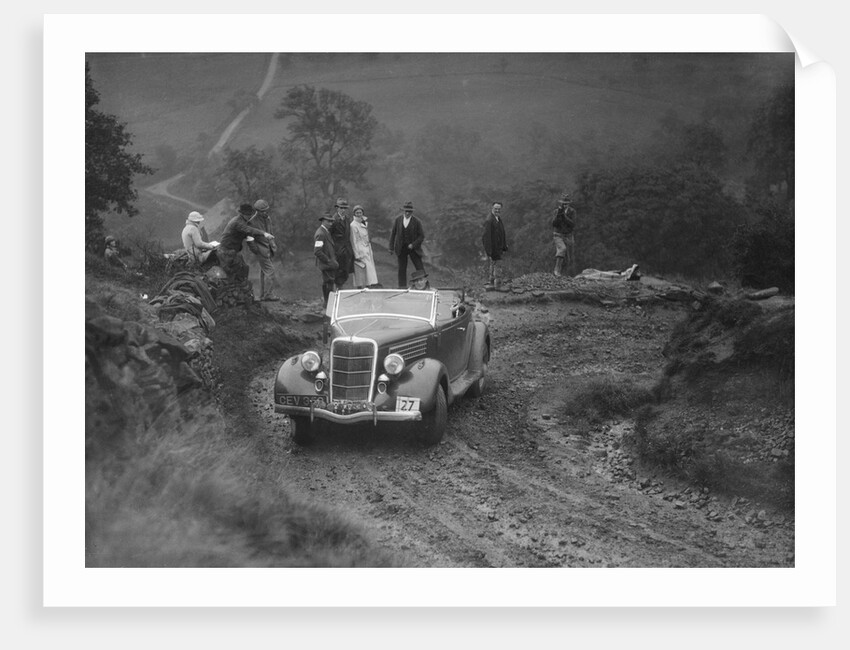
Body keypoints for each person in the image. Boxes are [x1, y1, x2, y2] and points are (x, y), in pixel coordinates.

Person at [218, 203, 274, 282]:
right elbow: (249, 230)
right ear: (242, 214)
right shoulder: (237, 222)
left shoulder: (243, 221)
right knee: (234, 270)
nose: (250, 216)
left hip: (233, 250)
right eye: (248, 214)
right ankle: (232, 289)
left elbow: (248, 234)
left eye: (250, 214)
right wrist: (264, 234)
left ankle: (241, 290)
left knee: (244, 269)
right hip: (227, 250)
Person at [246, 199, 280, 301]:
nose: (265, 212)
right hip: (261, 250)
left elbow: (270, 232)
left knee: (264, 273)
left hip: (269, 249)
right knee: (271, 272)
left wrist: (273, 244)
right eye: (262, 211)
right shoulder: (252, 221)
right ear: (257, 211)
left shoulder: (267, 218)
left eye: (266, 210)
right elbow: (249, 238)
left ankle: (262, 295)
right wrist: (256, 250)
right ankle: (268, 294)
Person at [388, 201, 426, 289]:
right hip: (401, 248)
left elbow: (421, 236)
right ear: (403, 211)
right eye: (406, 211)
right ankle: (402, 287)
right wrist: (391, 247)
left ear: (412, 212)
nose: (407, 213)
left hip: (414, 249)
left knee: (419, 268)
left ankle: (424, 286)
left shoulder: (417, 221)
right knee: (401, 268)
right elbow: (393, 234)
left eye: (409, 211)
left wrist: (413, 244)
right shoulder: (398, 220)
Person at [349, 204, 378, 288]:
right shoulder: (353, 225)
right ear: (354, 214)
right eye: (357, 213)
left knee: (369, 271)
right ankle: (361, 288)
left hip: (367, 249)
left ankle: (368, 287)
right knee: (361, 271)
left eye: (360, 212)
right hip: (360, 250)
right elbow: (353, 241)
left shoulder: (364, 222)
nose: (359, 214)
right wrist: (357, 254)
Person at [314, 212, 339, 308]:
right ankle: (328, 304)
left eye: (332, 222)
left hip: (329, 264)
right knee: (328, 283)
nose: (331, 224)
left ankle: (328, 303)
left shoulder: (325, 232)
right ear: (323, 221)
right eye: (329, 221)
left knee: (329, 282)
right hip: (326, 264)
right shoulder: (321, 234)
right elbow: (317, 251)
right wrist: (328, 261)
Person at [482, 201, 508, 290]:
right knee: (497, 266)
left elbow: (501, 233)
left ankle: (492, 283)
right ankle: (498, 285)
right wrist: (489, 251)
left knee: (493, 265)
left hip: (498, 247)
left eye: (499, 209)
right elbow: (486, 237)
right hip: (494, 248)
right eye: (495, 208)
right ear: (492, 208)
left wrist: (504, 246)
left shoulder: (498, 219)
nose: (497, 210)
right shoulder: (489, 220)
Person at [329, 197, 354, 289]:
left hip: (347, 250)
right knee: (338, 273)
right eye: (341, 208)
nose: (343, 210)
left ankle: (340, 291)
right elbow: (329, 236)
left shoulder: (347, 219)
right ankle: (338, 292)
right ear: (337, 208)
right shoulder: (333, 220)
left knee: (345, 271)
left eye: (344, 208)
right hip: (337, 250)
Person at [552, 192, 577, 277]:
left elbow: (572, 224)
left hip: (569, 235)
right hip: (558, 235)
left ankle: (567, 274)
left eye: (566, 204)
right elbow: (554, 224)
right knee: (562, 249)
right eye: (563, 204)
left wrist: (564, 216)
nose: (564, 205)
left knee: (569, 257)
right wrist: (559, 215)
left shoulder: (572, 212)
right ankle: (556, 270)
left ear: (569, 204)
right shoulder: (556, 211)